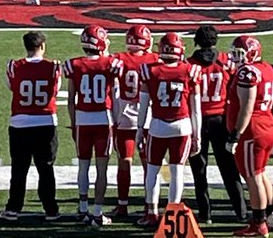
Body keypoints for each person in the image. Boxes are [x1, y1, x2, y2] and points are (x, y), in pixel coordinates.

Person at [137, 32, 202, 227]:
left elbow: (143, 104)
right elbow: (196, 108)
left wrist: (140, 128)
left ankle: (152, 211)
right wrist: (197, 135)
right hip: (182, 125)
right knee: (177, 172)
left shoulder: (150, 71)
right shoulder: (191, 70)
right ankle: (172, 214)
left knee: (153, 171)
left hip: (157, 125)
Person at [63, 25, 123, 225]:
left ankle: (82, 208)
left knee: (83, 165)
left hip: (82, 117)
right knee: (101, 168)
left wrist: (73, 123)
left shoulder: (75, 64)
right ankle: (97, 212)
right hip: (103, 118)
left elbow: (71, 99)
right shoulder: (111, 63)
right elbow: (115, 96)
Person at [188, 24, 246, 226]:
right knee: (229, 167)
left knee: (199, 169)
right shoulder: (227, 63)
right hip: (221, 119)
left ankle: (205, 213)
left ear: (196, 41)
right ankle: (241, 211)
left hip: (197, 120)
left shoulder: (189, 64)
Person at [2, 30, 62, 222]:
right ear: (42, 46)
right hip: (45, 122)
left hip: (20, 122)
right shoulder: (53, 67)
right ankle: (50, 209)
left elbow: (11, 87)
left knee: (19, 168)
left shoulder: (14, 66)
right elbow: (56, 89)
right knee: (46, 168)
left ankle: (13, 208)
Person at [226, 35, 273, 237]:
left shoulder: (247, 72)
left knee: (252, 176)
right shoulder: (266, 68)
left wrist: (235, 135)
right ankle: (270, 214)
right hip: (266, 125)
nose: (236, 57)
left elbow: (246, 108)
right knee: (261, 172)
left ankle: (259, 223)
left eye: (240, 53)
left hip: (252, 130)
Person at [112, 24, 158, 218]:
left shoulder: (118, 59)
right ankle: (150, 207)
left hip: (125, 116)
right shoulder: (155, 59)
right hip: (147, 117)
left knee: (124, 162)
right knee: (149, 165)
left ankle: (122, 205)